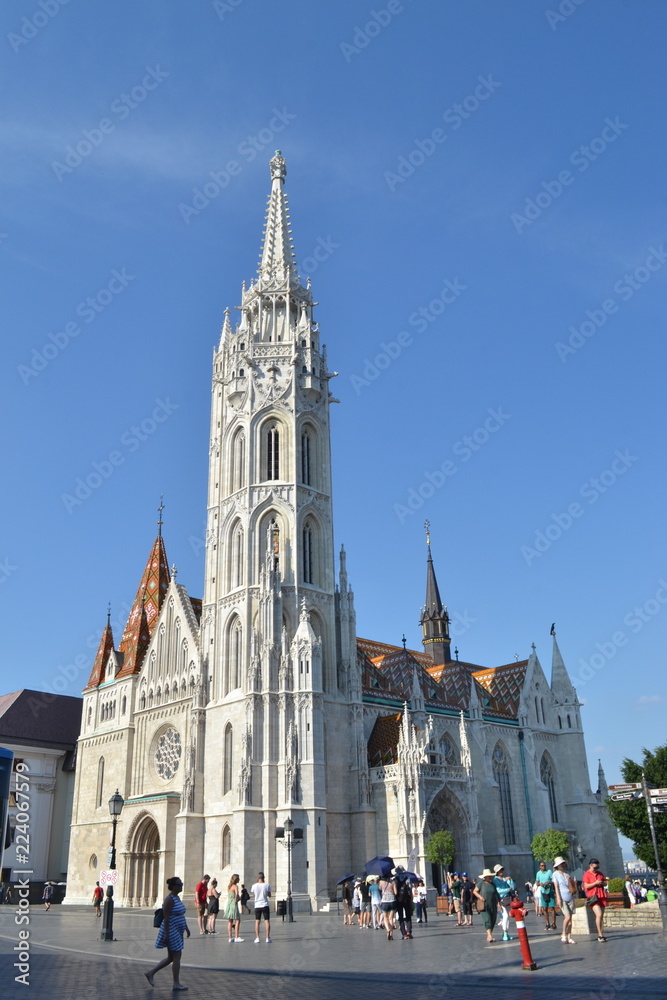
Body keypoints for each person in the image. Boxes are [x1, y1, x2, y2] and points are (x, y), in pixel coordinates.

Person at [144, 875, 190, 991]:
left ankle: (151, 973)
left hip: (178, 929)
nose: (181, 887)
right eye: (179, 885)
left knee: (171, 957)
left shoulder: (177, 898)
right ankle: (176, 983)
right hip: (171, 929)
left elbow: (180, 914)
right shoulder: (169, 899)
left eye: (182, 884)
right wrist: (166, 934)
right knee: (177, 956)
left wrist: (186, 928)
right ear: (173, 887)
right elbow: (167, 917)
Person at [582, 858, 608, 941]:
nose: (596, 869)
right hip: (593, 897)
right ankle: (600, 935)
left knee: (601, 916)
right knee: (599, 914)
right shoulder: (587, 874)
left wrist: (602, 883)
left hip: (601, 895)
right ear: (590, 866)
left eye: (597, 867)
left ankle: (602, 934)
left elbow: (605, 883)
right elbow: (586, 886)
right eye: (594, 868)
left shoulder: (600, 874)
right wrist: (595, 883)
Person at [552, 856, 576, 944]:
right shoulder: (555, 874)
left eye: (563, 864)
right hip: (562, 897)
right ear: (557, 866)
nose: (562, 865)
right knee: (567, 917)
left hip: (570, 896)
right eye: (560, 864)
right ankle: (563, 933)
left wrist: (569, 878)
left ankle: (569, 937)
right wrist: (558, 898)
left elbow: (573, 884)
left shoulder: (566, 873)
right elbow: (556, 887)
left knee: (570, 919)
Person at [473, 868, 500, 943]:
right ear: (484, 877)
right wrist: (480, 897)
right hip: (484, 905)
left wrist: (498, 903)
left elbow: (495, 895)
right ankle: (489, 935)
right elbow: (474, 891)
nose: (489, 877)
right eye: (487, 876)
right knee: (487, 919)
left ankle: (489, 935)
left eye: (489, 876)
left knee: (492, 919)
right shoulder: (481, 884)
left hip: (492, 904)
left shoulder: (492, 885)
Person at [492, 865, 514, 941]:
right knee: (505, 916)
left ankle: (506, 933)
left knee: (507, 916)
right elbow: (499, 891)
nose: (502, 871)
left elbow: (513, 887)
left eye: (502, 870)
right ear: (497, 872)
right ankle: (505, 933)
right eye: (500, 870)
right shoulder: (495, 880)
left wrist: (510, 881)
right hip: (501, 899)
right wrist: (508, 889)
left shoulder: (504, 879)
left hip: (508, 899)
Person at [392, 866, 414, 939]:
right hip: (407, 899)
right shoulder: (407, 878)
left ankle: (403, 933)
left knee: (400, 917)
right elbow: (410, 890)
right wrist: (411, 900)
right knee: (408, 916)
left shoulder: (395, 879)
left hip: (399, 900)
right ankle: (409, 931)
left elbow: (394, 891)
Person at [251, 872, 272, 944]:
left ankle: (257, 937)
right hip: (265, 904)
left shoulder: (254, 886)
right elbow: (269, 895)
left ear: (258, 878)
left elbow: (253, 894)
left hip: (257, 905)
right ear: (263, 878)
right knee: (267, 921)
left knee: (257, 921)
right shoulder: (267, 885)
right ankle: (267, 937)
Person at [535, 861, 556, 931]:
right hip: (543, 891)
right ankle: (547, 923)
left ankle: (553, 923)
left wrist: (549, 882)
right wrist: (539, 884)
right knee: (544, 908)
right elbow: (536, 882)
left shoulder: (549, 872)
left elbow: (553, 880)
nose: (543, 867)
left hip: (550, 891)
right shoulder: (538, 873)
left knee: (552, 908)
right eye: (542, 866)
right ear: (539, 867)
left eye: (544, 865)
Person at [225, 873, 243, 942]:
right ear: (236, 879)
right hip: (233, 904)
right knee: (237, 920)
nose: (239, 880)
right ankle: (236, 936)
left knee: (230, 921)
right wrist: (236, 899)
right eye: (238, 878)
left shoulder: (229, 886)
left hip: (229, 903)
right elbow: (236, 894)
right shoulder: (235, 886)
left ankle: (230, 937)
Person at [379, 874, 397, 939]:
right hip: (392, 901)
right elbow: (396, 892)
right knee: (391, 918)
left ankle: (388, 930)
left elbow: (380, 888)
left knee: (385, 918)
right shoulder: (393, 882)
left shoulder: (381, 881)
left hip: (384, 901)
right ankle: (391, 934)